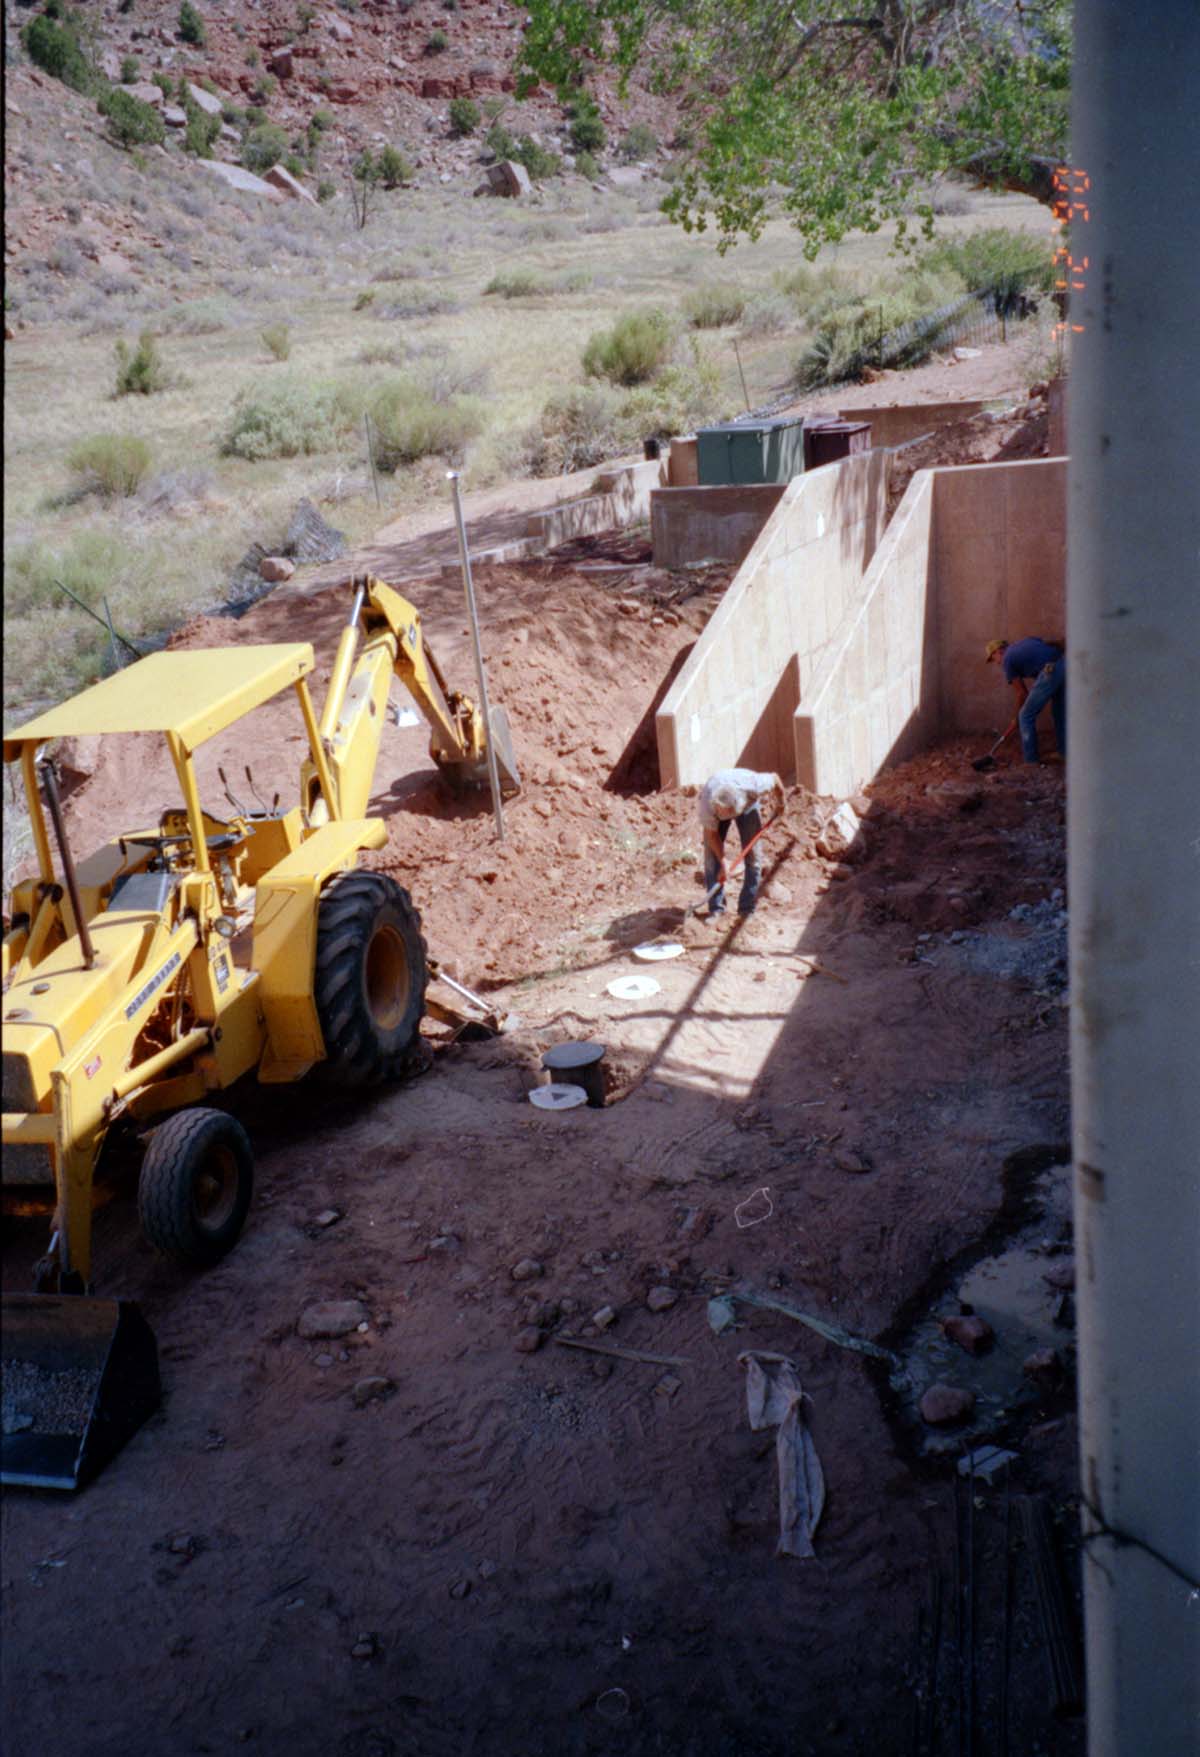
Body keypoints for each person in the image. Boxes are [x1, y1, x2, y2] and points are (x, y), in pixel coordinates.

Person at [697, 768, 784, 917]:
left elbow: (775, 779)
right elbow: (712, 836)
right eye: (722, 814)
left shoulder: (753, 785)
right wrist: (723, 861)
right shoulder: (707, 805)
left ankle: (746, 908)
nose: (727, 817)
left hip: (747, 806)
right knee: (711, 860)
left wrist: (781, 803)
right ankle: (716, 909)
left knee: (754, 858)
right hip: (716, 803)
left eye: (729, 814)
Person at [985, 636, 1066, 764]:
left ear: (998, 651)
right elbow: (1044, 645)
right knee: (1059, 712)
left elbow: (1022, 693)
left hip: (1050, 670)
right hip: (1064, 664)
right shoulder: (1024, 642)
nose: (997, 663)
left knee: (1025, 716)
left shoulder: (1007, 660)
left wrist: (1016, 717)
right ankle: (1064, 752)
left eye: (993, 658)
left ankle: (1031, 760)